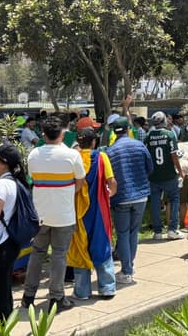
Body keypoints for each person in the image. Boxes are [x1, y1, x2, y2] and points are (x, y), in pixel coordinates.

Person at [23, 118, 86, 312]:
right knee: (59, 255)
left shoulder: (33, 155)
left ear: (43, 135)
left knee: (37, 254)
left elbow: (33, 178)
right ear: (62, 135)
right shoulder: (72, 155)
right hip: (64, 214)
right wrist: (66, 192)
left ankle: (28, 296)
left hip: (39, 214)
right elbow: (80, 182)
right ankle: (57, 298)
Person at [68, 128, 117, 301]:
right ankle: (107, 287)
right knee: (101, 245)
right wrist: (109, 195)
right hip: (99, 210)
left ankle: (82, 291)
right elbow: (111, 182)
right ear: (94, 142)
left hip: (77, 211)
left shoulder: (73, 158)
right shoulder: (102, 157)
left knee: (80, 247)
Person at [105, 116, 153, 285]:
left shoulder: (110, 151)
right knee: (134, 232)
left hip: (121, 197)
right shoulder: (140, 146)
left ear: (114, 131)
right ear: (128, 129)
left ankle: (127, 271)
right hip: (141, 196)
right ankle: (129, 267)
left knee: (123, 234)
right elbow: (150, 168)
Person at [146, 111, 186, 240]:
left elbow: (146, 156)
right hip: (169, 174)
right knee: (174, 199)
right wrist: (180, 171)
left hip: (154, 176)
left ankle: (157, 232)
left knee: (155, 203)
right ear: (164, 121)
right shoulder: (169, 134)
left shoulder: (148, 136)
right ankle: (173, 229)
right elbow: (174, 155)